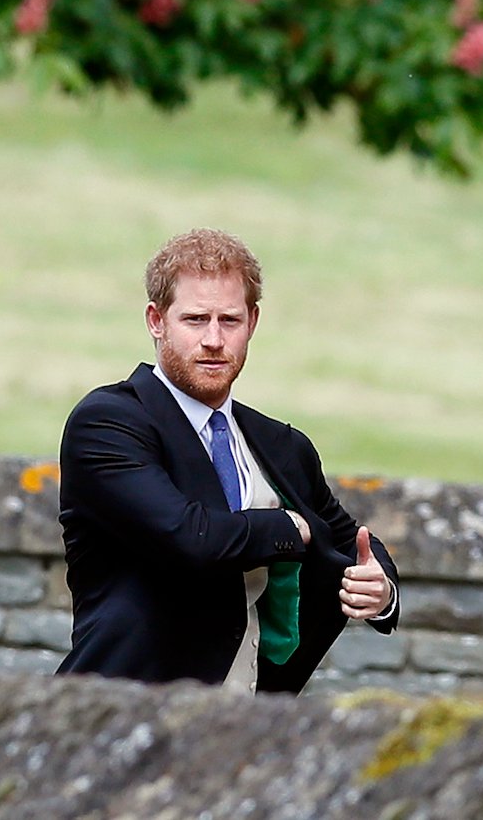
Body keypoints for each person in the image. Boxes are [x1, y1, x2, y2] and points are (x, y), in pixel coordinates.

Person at [55, 228, 398, 693]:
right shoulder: (109, 423)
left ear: (252, 322)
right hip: (121, 712)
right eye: (195, 320)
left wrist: (380, 589)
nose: (214, 339)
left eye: (229, 321)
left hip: (249, 722)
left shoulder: (282, 445)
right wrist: (289, 528)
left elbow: (349, 539)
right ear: (157, 320)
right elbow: (190, 537)